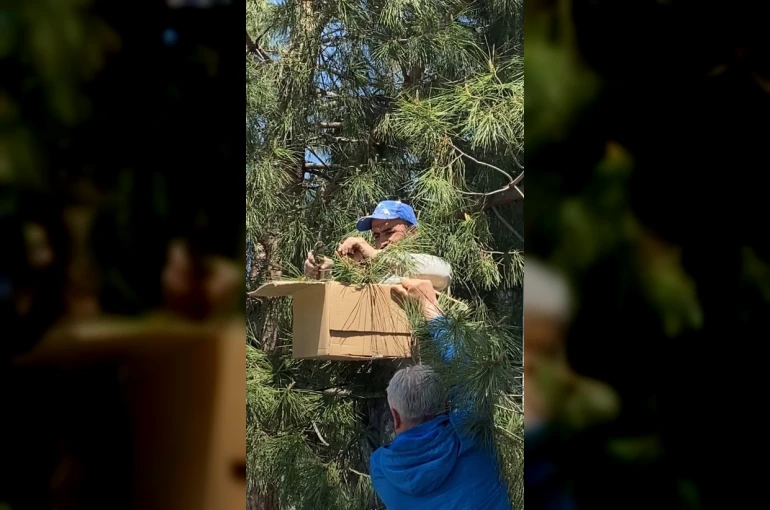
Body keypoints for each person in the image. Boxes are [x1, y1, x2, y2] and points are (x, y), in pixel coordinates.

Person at [369, 278, 512, 510]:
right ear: (447, 404)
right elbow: (470, 374)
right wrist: (429, 306)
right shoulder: (472, 436)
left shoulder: (382, 470)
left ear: (395, 417)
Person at [304, 200, 452, 291]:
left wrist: (375, 255)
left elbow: (444, 272)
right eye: (376, 235)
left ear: (413, 233)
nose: (381, 241)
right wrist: (324, 272)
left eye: (389, 232)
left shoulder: (427, 265)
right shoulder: (374, 272)